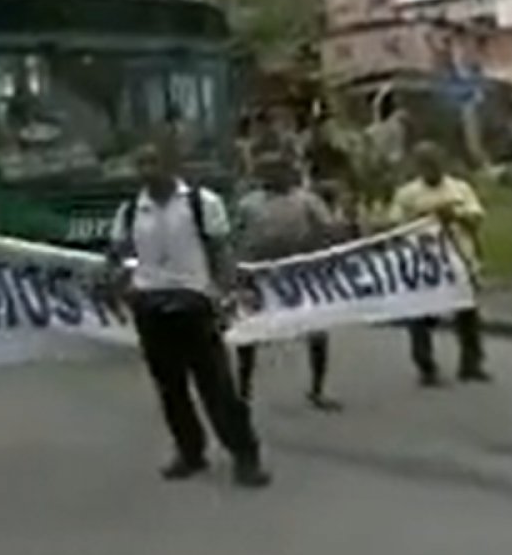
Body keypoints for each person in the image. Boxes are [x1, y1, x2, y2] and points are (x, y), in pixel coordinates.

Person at [106, 137, 271, 488]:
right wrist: (124, 287)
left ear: (171, 164)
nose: (146, 171)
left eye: (153, 162)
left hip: (195, 304)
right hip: (151, 307)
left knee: (218, 388)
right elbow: (118, 255)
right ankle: (190, 452)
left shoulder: (201, 203)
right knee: (171, 389)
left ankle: (245, 456)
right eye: (140, 164)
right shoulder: (131, 210)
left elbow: (220, 252)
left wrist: (225, 294)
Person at [234, 151, 341, 412]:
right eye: (266, 171)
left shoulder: (307, 201)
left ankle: (318, 388)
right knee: (248, 334)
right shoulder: (248, 204)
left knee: (316, 332)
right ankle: (242, 393)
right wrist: (238, 275)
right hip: (259, 276)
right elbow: (236, 238)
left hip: (300, 275)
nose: (272, 176)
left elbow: (328, 230)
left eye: (278, 170)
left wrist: (326, 261)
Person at [388, 142, 491, 387]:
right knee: (422, 315)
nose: (431, 169)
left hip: (457, 257)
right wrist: (423, 219)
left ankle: (471, 363)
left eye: (435, 163)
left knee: (467, 313)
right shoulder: (407, 194)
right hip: (425, 262)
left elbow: (476, 216)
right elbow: (395, 226)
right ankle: (426, 366)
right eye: (425, 164)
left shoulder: (459, 188)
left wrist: (455, 215)